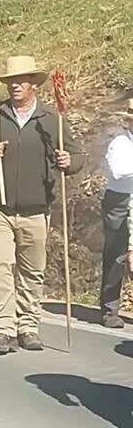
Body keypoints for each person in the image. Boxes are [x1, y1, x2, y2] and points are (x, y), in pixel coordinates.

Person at [0, 55, 83, 354]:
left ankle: (28, 326)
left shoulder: (51, 119)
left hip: (37, 208)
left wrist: (68, 162)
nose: (14, 85)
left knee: (32, 271)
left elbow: (77, 156)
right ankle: (4, 328)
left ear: (33, 84)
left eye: (20, 81)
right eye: (10, 81)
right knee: (0, 266)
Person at [99, 98, 133, 328]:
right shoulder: (119, 143)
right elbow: (119, 171)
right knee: (117, 254)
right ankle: (110, 308)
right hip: (120, 200)